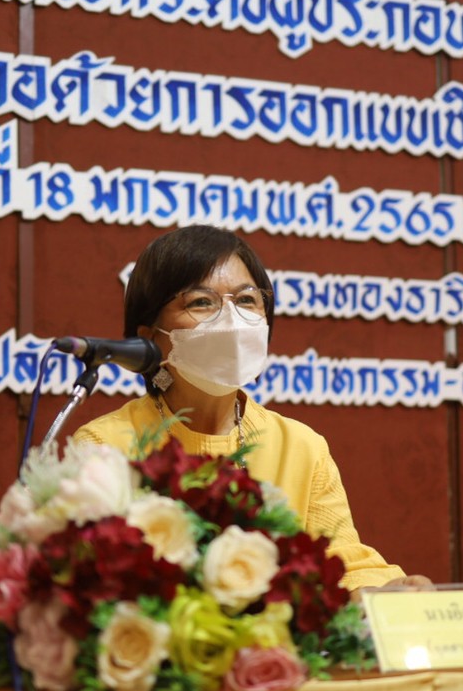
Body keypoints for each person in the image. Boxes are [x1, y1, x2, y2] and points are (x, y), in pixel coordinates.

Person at [73, 225, 431, 593]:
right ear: (149, 338)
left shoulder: (301, 447)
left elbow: (343, 564)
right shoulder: (106, 447)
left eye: (246, 300)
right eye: (201, 302)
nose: (231, 320)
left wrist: (379, 594)